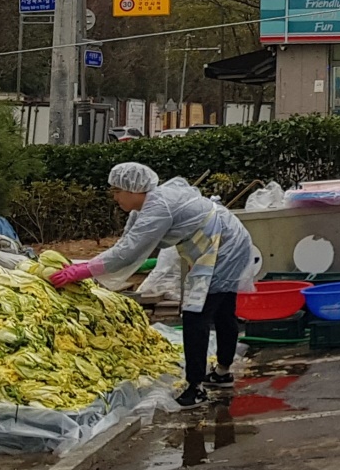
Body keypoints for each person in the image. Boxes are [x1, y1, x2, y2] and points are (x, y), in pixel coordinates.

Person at [47, 163, 255, 408]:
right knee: (221, 308)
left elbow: (128, 252)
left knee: (196, 314)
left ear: (134, 189)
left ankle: (196, 387)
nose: (114, 197)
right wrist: (91, 265)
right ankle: (222, 373)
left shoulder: (158, 208)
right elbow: (127, 241)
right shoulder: (146, 207)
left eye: (116, 191)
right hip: (223, 240)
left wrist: (82, 271)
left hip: (224, 247)